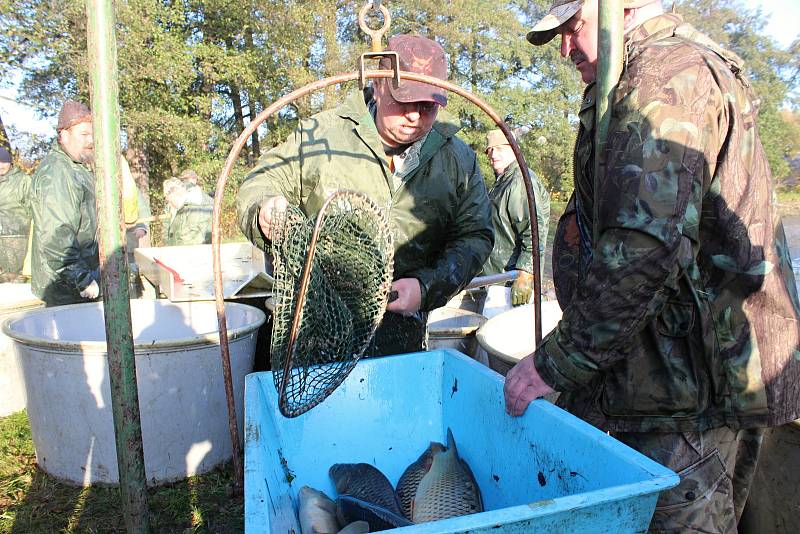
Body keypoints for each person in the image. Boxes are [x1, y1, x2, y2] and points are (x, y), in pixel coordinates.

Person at [505, 1, 800, 532]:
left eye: (573, 29)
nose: (566, 49)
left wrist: (558, 364)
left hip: (686, 401)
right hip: (668, 382)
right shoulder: (648, 73)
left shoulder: (668, 77)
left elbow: (643, 249)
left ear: (624, 8)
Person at [236, 34, 493, 356]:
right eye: (404, 102)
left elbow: (475, 235)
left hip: (403, 335)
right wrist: (263, 209)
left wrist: (427, 286)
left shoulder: (457, 159)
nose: (415, 116)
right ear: (378, 85)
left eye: (427, 106)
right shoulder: (322, 135)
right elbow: (262, 181)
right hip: (315, 334)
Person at [30, 100, 100, 306]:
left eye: (92, 134)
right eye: (84, 134)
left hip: (78, 275)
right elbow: (56, 235)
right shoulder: (58, 172)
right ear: (64, 135)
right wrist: (81, 279)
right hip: (65, 286)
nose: (91, 140)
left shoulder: (76, 167)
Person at [481, 129, 550, 318]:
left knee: (502, 342)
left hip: (510, 285)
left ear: (514, 149)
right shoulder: (503, 181)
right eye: (489, 150)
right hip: (498, 281)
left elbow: (534, 232)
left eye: (499, 148)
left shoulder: (519, 181)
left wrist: (526, 274)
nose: (493, 154)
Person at [0, 146, 32, 279]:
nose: (1, 165)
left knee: (15, 278)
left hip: (17, 238)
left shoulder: (23, 180)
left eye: (4, 161)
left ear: (11, 162)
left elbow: (34, 209)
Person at [163, 177, 213, 246]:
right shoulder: (183, 208)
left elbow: (192, 240)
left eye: (169, 201)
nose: (170, 205)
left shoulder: (196, 207)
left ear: (174, 192)